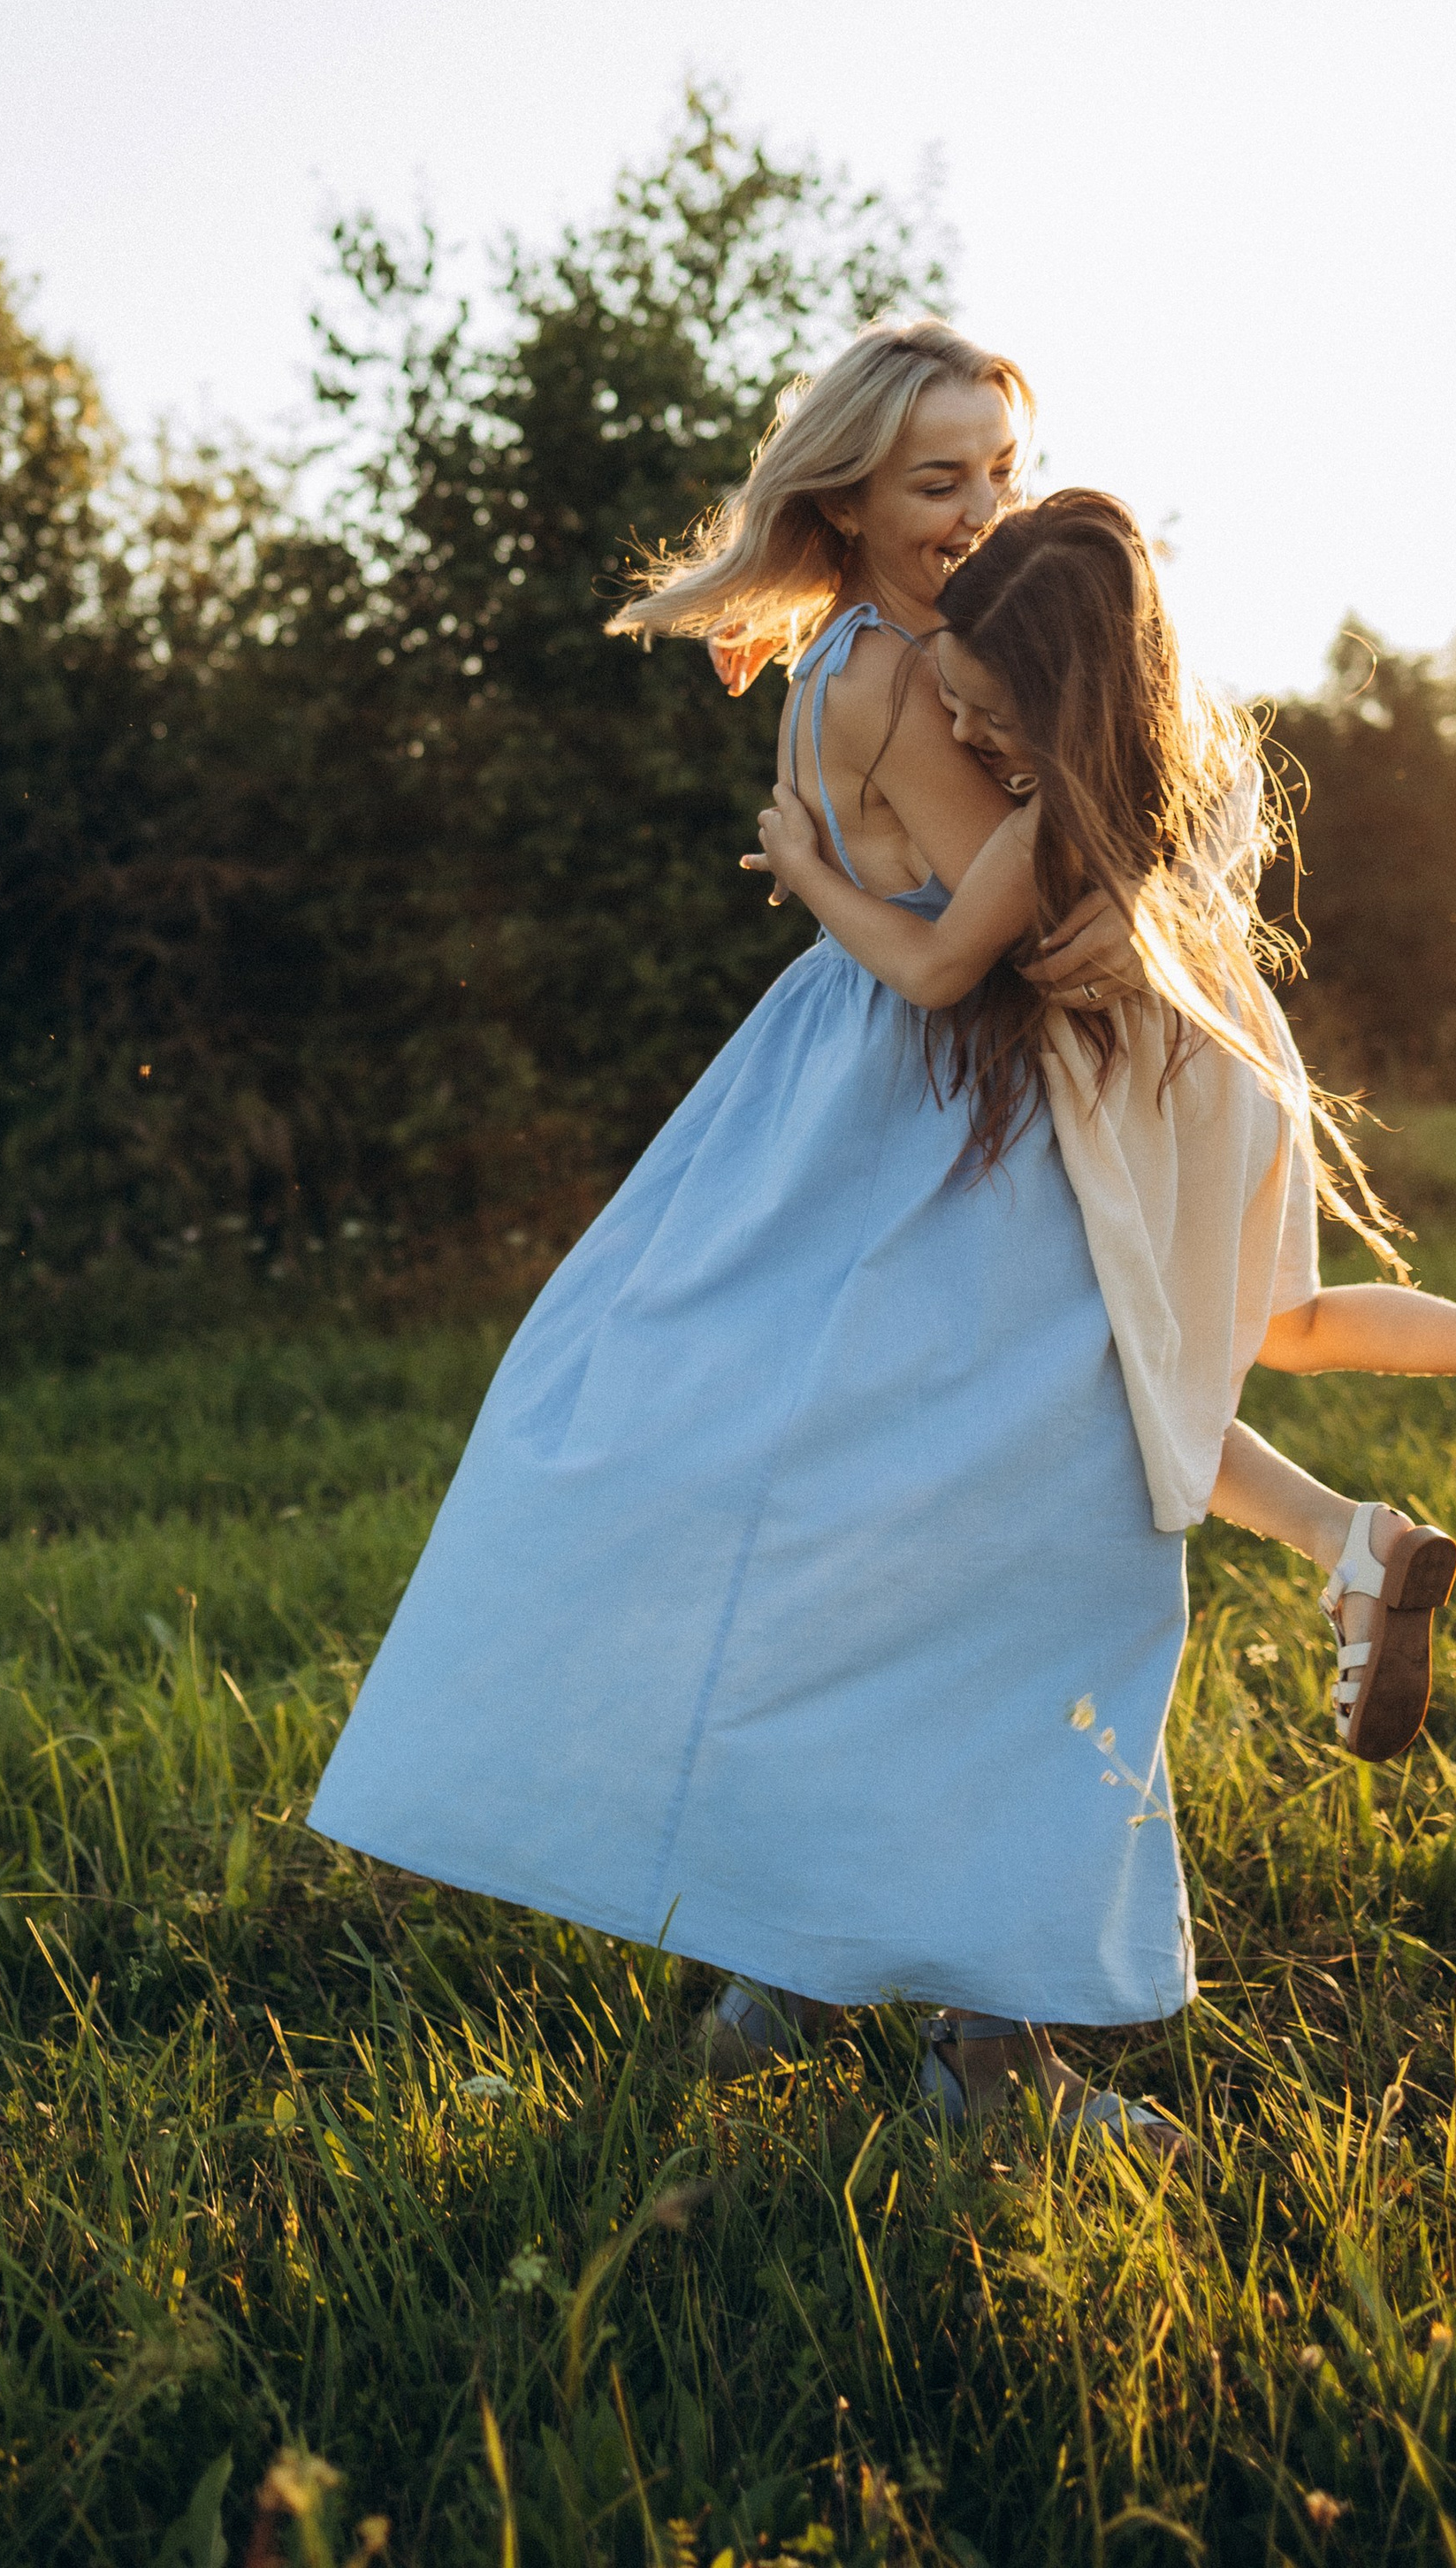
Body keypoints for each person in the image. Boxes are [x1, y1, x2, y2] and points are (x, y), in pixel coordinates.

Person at [309, 322, 1209, 2148]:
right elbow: (1016, 941)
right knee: (1036, 1566)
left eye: (1001, 471)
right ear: (848, 498)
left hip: (857, 1113)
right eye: (936, 479)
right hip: (956, 1137)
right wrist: (1144, 890)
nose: (981, 509)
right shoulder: (897, 675)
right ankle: (985, 2057)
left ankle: (784, 1964)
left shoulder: (854, 650)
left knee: (855, 1543)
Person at [750, 487, 1456, 1851]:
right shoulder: (1195, 756)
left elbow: (937, 966)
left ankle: (1348, 1541)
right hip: (1233, 1061)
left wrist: (808, 867)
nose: (961, 733)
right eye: (949, 702)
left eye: (987, 717)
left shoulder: (1048, 833)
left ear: (1062, 708)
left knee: (1146, 1382)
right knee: (1287, 1324)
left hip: (1140, 1093)